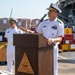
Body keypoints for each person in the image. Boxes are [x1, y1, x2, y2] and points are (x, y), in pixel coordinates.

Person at [36, 3, 64, 75]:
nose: (48, 13)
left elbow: (60, 38)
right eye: (49, 11)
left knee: (53, 67)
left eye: (50, 11)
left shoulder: (59, 24)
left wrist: (53, 40)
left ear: (55, 13)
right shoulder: (44, 22)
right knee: (43, 65)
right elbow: (38, 32)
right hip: (43, 48)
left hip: (52, 48)